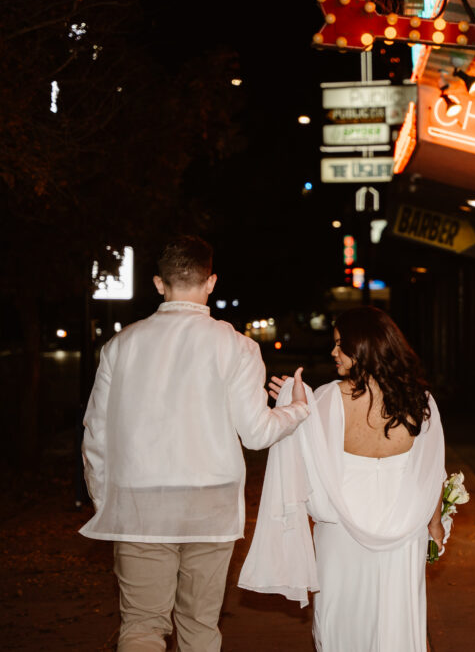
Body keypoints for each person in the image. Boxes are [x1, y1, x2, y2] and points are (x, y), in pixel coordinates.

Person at [79, 235, 310, 652]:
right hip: (212, 503)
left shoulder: (120, 346)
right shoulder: (237, 347)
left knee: (142, 627)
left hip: (140, 503)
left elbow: (96, 435)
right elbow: (257, 433)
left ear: (158, 283)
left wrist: (106, 501)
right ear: (211, 282)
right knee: (200, 625)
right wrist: (296, 409)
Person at [240, 305, 446, 651]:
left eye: (340, 344)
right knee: (395, 621)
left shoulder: (326, 400)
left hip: (341, 535)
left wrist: (293, 404)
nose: (333, 352)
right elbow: (430, 472)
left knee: (342, 622)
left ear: (364, 347)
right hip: (404, 531)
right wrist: (435, 524)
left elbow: (302, 455)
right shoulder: (420, 401)